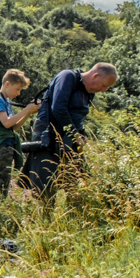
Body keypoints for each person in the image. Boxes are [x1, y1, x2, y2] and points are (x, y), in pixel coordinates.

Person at [22, 62, 119, 210]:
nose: (103, 90)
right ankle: (41, 220)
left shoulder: (89, 92)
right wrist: (75, 134)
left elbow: (78, 118)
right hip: (48, 134)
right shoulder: (67, 77)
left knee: (79, 182)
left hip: (69, 138)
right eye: (104, 85)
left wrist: (82, 135)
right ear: (95, 76)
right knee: (45, 187)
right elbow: (58, 108)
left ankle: (75, 217)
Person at [0, 69, 41, 236]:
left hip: (8, 147)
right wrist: (26, 110)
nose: (18, 93)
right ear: (7, 84)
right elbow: (6, 123)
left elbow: (14, 126)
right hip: (1, 148)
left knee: (4, 188)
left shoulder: (6, 101)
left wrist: (28, 113)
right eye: (17, 89)